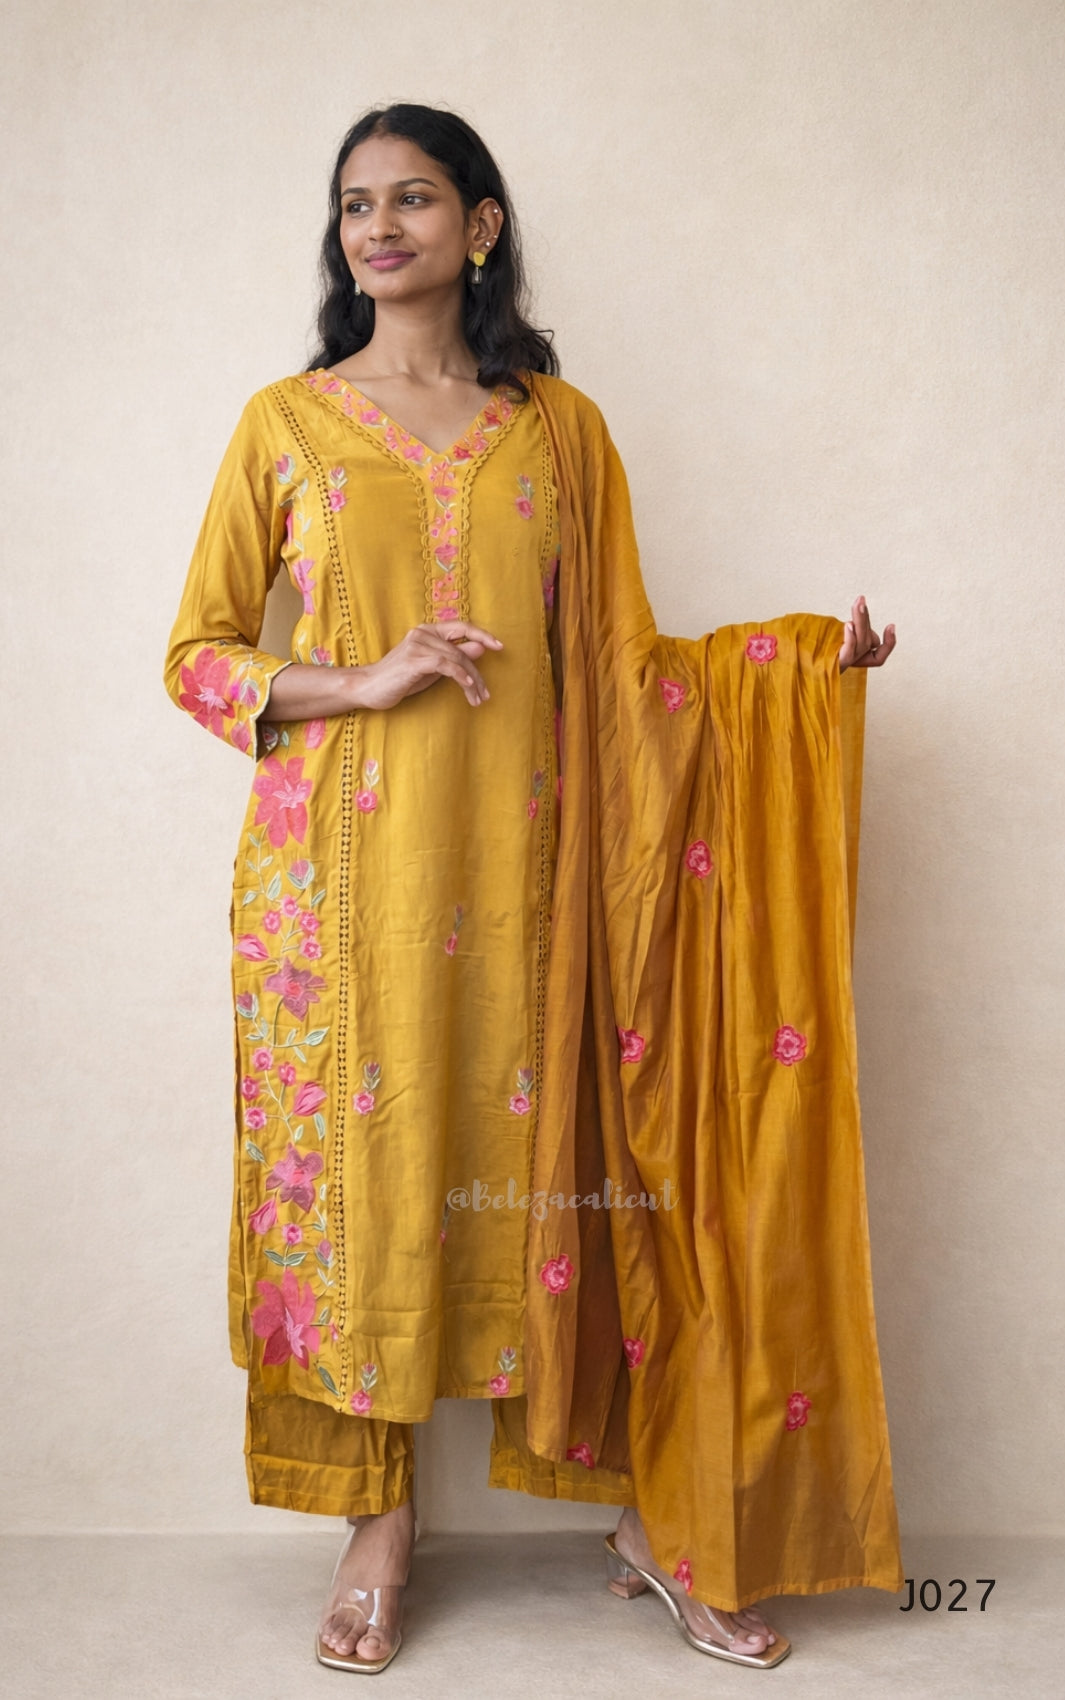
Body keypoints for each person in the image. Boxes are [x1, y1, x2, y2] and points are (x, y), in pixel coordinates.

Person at [164, 102, 900, 1675]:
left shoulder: (557, 430)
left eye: (414, 198)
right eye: (356, 202)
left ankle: (648, 1514)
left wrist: (790, 673)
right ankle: (380, 1525)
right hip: (334, 899)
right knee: (364, 1201)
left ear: (478, 225)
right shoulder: (284, 425)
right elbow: (198, 654)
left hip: (535, 890)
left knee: (573, 1175)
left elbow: (628, 666)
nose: (380, 227)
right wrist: (359, 680)